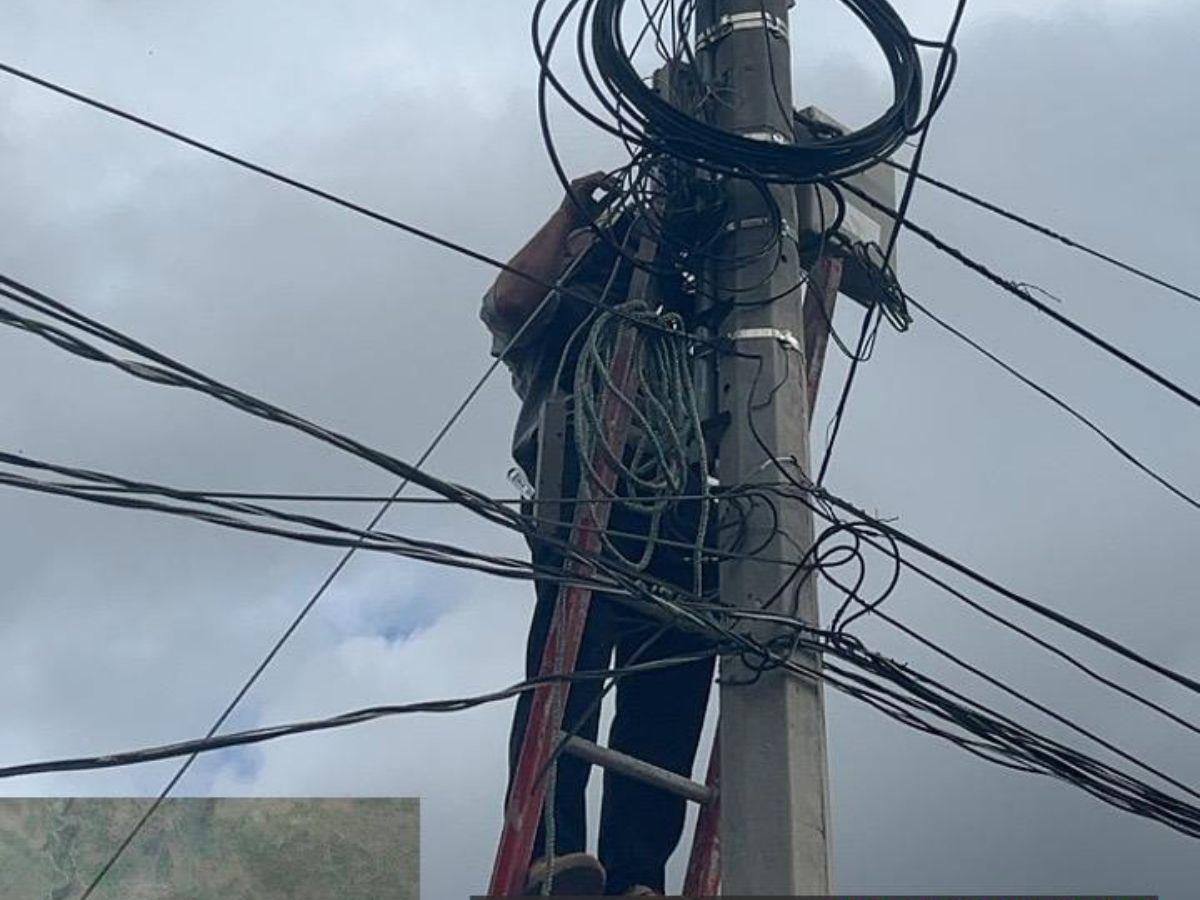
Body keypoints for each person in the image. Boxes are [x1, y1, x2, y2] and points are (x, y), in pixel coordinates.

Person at [480, 173, 717, 897]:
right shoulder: (561, 318)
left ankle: (635, 874)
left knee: (669, 692)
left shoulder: (696, 321)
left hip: (685, 511)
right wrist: (574, 214)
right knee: (570, 666)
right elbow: (506, 303)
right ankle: (553, 850)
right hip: (582, 490)